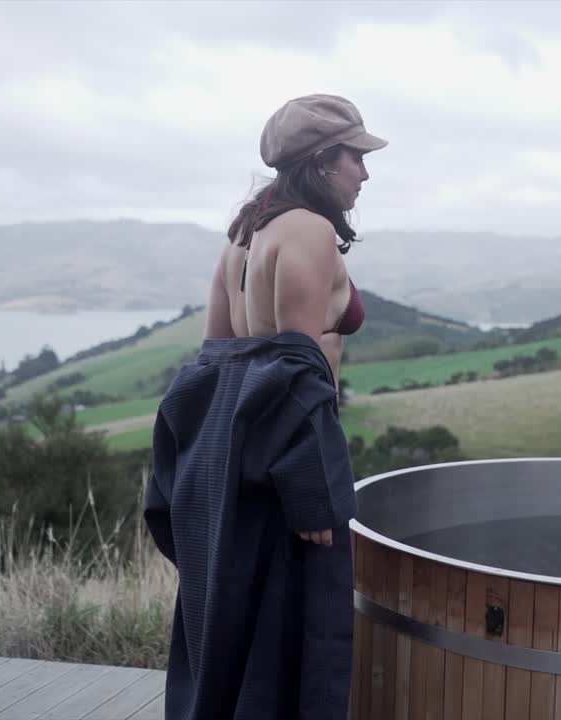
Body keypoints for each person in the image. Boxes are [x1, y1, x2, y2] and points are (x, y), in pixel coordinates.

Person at [144, 94, 387, 720]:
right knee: (293, 639)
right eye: (356, 157)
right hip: (287, 466)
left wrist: (194, 474)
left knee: (234, 636)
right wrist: (309, 490)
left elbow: (212, 362)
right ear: (322, 161)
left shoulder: (246, 234)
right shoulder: (309, 228)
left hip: (234, 465)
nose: (365, 171)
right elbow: (297, 369)